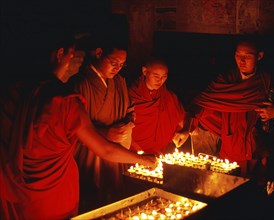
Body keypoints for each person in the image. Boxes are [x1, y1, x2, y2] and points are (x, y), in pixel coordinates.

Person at [0, 31, 157, 220]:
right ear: (60, 54)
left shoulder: (12, 94)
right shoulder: (64, 99)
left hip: (19, 193)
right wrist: (145, 160)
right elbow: (105, 149)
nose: (72, 58)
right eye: (71, 53)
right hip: (56, 192)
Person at [173, 36, 274, 181]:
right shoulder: (226, 80)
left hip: (258, 149)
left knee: (256, 190)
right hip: (231, 145)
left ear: (259, 56)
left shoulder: (268, 83)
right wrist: (186, 128)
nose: (241, 61)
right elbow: (201, 105)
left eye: (247, 56)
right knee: (231, 187)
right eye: (238, 55)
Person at [69, 33, 136, 210]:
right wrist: (104, 133)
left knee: (114, 199)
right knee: (92, 200)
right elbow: (73, 125)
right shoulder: (79, 83)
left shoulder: (120, 82)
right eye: (114, 63)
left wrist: (128, 124)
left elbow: (130, 110)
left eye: (122, 65)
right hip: (89, 154)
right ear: (98, 53)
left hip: (116, 154)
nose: (118, 68)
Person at [128, 56, 186, 155]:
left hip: (160, 152)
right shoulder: (130, 94)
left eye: (164, 77)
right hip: (133, 152)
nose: (160, 80)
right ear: (145, 71)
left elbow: (181, 118)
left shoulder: (168, 96)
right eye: (156, 76)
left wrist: (184, 130)